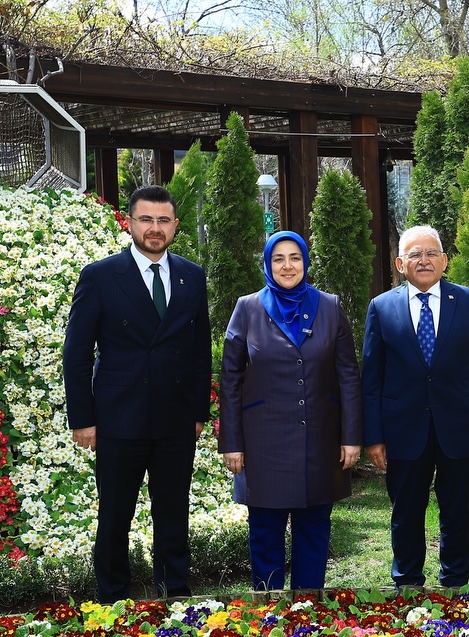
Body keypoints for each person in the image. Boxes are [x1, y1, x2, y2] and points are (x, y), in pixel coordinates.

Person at [63, 184, 211, 601]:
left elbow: (201, 349)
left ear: (175, 226)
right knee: (114, 516)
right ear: (129, 223)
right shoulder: (100, 276)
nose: (154, 228)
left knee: (173, 514)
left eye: (163, 220)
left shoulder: (190, 275)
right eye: (146, 219)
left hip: (175, 419)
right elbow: (76, 354)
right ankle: (112, 599)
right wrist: (83, 419)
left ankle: (176, 597)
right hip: (117, 418)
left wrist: (198, 410)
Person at [361, 225, 469, 588]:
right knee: (406, 512)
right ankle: (407, 581)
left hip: (460, 428)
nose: (423, 261)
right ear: (400, 263)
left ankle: (454, 581)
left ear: (444, 261)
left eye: (430, 254)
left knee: (457, 511)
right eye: (414, 254)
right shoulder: (381, 307)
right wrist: (373, 437)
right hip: (402, 430)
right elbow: (372, 379)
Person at [219, 231, 362, 590]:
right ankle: (268, 608)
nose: (287, 265)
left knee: (314, 530)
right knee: (265, 531)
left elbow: (348, 375)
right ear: (267, 264)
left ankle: (307, 609)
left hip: (320, 443)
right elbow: (230, 381)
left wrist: (351, 437)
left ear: (305, 262)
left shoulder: (329, 306)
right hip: (262, 444)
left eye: (295, 258)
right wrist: (231, 443)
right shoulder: (247, 308)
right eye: (278, 258)